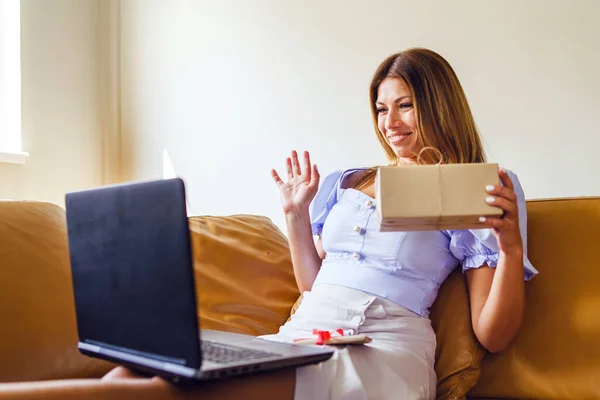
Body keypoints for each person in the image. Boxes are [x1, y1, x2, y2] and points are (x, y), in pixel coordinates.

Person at [103, 48, 538, 400]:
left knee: (197, 390)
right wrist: (295, 216)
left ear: (439, 106)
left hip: (379, 346)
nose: (390, 123)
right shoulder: (346, 183)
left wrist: (510, 248)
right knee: (130, 374)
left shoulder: (475, 187)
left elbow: (492, 334)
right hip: (304, 332)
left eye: (405, 106)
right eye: (382, 108)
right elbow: (314, 288)